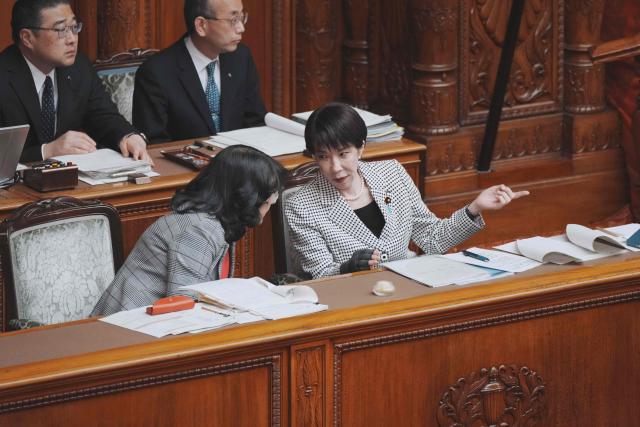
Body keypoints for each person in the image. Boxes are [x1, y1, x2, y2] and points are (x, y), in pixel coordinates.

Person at [285, 102, 530, 279]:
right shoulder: (302, 205)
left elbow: (433, 240)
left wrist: (475, 208)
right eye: (323, 157)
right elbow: (319, 275)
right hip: (354, 304)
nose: (335, 167)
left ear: (361, 148)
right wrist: (347, 268)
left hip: (412, 285)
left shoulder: (392, 174)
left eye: (343, 154)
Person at [92, 145, 286, 316]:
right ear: (245, 195)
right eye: (269, 195)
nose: (273, 199)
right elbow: (182, 308)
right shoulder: (200, 230)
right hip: (127, 330)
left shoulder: (217, 221)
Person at [0, 0, 150, 163]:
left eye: (74, 27)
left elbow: (103, 116)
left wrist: (127, 136)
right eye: (61, 30)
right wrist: (48, 150)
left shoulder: (79, 67)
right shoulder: (4, 75)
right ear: (27, 38)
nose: (72, 39)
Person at [132, 0, 267, 144]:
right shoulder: (156, 72)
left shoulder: (240, 57)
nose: (241, 28)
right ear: (201, 25)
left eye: (242, 18)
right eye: (233, 20)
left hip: (238, 162)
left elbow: (255, 121)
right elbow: (155, 144)